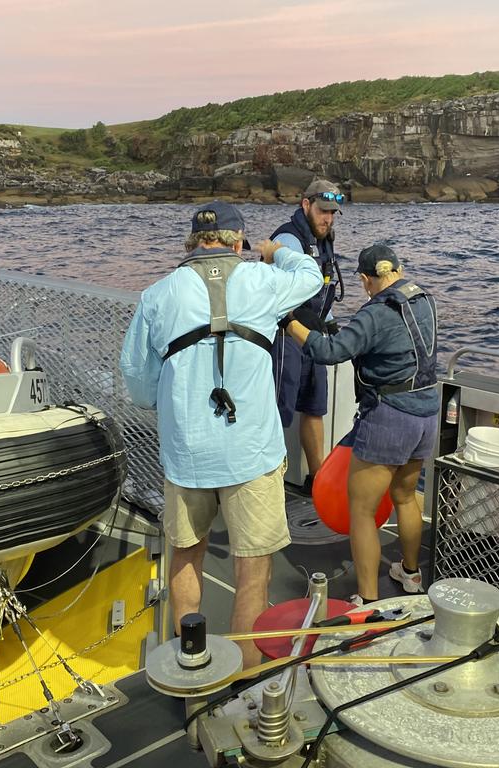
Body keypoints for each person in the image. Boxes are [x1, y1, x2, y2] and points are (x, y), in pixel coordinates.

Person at [120, 201, 323, 667]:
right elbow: (312, 276)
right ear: (238, 240)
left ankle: (191, 668)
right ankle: (245, 681)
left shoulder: (158, 295)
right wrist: (277, 251)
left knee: (186, 555)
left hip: (187, 453)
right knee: (252, 569)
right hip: (251, 452)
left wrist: (169, 401)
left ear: (194, 240)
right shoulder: (263, 280)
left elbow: (137, 379)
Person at [284, 244, 438, 602]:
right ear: (397, 270)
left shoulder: (375, 313)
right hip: (427, 412)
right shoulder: (424, 299)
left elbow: (330, 352)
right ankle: (411, 574)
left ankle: (367, 599)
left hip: (389, 418)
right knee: (404, 496)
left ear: (367, 279)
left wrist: (290, 324)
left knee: (362, 512)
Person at [270, 179, 345, 495]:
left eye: (332, 213)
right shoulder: (288, 239)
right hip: (286, 335)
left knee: (314, 407)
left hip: (312, 335)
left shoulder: (323, 239)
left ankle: (319, 481)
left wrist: (330, 325)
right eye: (322, 211)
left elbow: (323, 292)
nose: (327, 218)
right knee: (278, 409)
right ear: (305, 205)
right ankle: (266, 484)